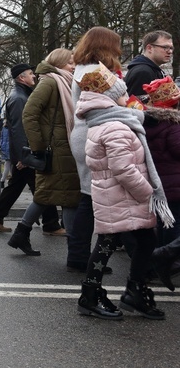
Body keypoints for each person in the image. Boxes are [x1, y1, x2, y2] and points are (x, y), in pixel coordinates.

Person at [74, 64, 173, 320]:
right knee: (108, 243)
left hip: (119, 195)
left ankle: (134, 290)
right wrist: (148, 194)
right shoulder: (115, 126)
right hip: (121, 196)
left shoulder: (108, 121)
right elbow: (123, 169)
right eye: (122, 92)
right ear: (110, 98)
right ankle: (92, 295)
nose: (126, 96)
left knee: (143, 241)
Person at [8, 49, 78, 255]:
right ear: (59, 63)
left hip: (63, 148)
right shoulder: (51, 81)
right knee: (69, 197)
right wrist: (38, 147)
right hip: (57, 150)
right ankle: (76, 252)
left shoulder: (63, 81)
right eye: (70, 62)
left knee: (48, 194)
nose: (73, 66)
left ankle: (21, 234)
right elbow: (29, 114)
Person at [68, 26, 124, 273]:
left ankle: (79, 255)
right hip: (94, 135)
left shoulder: (83, 69)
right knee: (92, 200)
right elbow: (119, 98)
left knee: (89, 198)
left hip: (85, 134)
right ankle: (81, 257)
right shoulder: (94, 72)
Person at [0, 64, 62, 234]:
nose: (33, 76)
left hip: (22, 154)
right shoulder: (19, 98)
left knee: (17, 186)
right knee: (42, 188)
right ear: (21, 78)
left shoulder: (21, 95)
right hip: (25, 154)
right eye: (30, 74)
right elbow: (20, 129)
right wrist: (24, 156)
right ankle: (51, 224)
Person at [141, 77, 180, 290]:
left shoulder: (151, 121)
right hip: (175, 181)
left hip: (160, 182)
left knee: (164, 223)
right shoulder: (172, 124)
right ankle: (168, 259)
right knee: (174, 223)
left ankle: (161, 257)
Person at [124, 31, 172, 99]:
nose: (170, 51)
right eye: (165, 47)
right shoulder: (143, 72)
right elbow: (137, 106)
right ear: (149, 48)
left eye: (171, 48)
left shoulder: (152, 70)